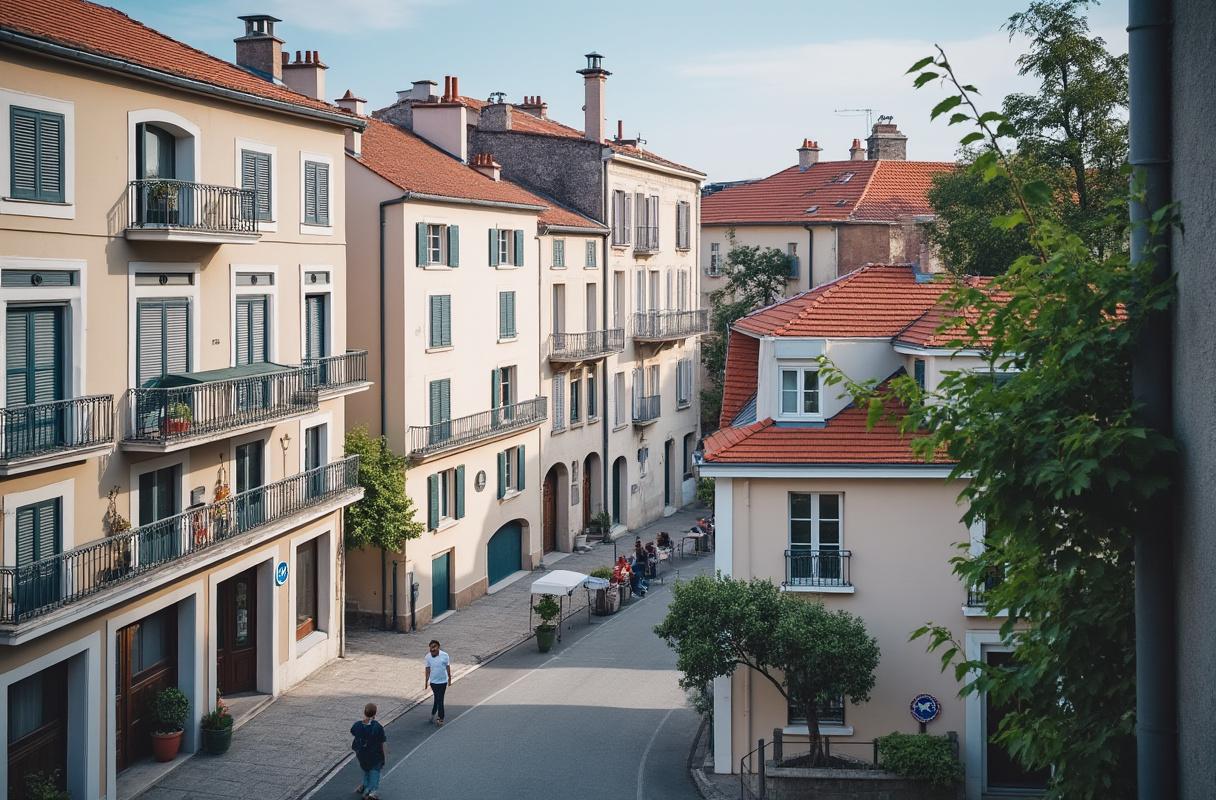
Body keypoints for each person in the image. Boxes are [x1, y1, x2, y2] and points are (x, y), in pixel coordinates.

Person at [350, 702, 386, 799]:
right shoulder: (378, 727)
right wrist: (384, 756)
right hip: (374, 755)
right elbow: (382, 743)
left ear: (364, 712)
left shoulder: (357, 725)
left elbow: (353, 731)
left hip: (361, 754)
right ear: (375, 714)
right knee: (375, 772)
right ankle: (370, 792)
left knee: (366, 769)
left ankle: (364, 785)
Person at [424, 639, 452, 726]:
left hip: (443, 681)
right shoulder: (427, 657)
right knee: (437, 699)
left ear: (438, 647)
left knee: (440, 699)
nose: (432, 649)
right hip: (433, 682)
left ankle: (440, 718)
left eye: (434, 647)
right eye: (431, 648)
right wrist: (426, 681)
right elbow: (427, 669)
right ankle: (433, 714)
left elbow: (447, 666)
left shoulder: (445, 655)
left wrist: (449, 678)